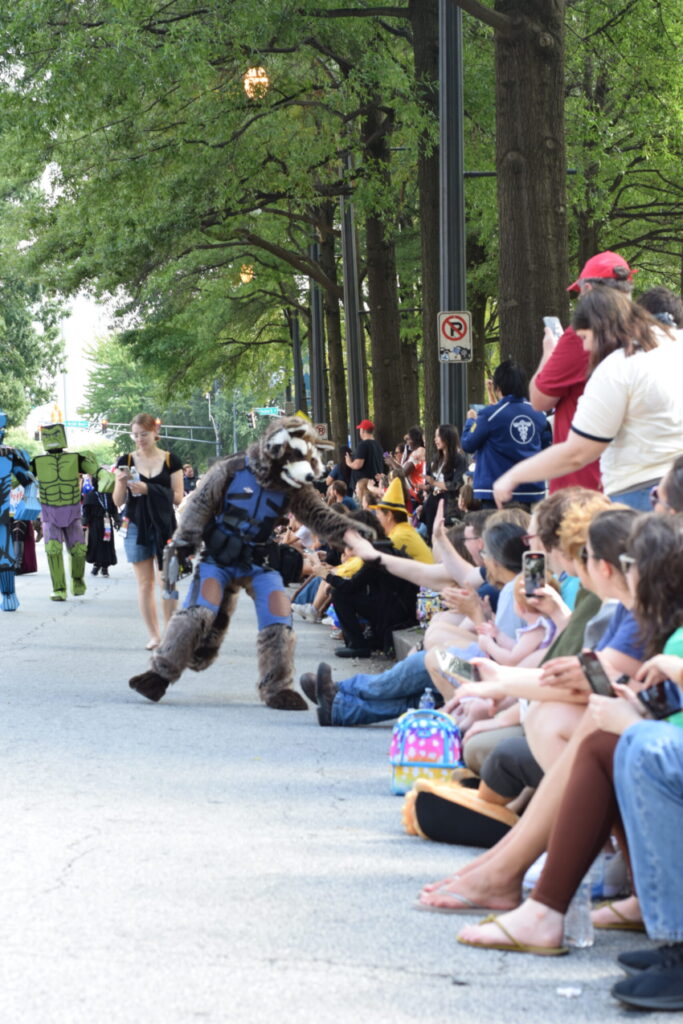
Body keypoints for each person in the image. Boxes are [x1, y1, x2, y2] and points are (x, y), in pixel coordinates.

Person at [127, 416, 369, 708]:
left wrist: (356, 536)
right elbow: (201, 505)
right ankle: (159, 674)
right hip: (218, 557)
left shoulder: (294, 484)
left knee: (279, 616)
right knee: (197, 613)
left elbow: (320, 516)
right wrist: (183, 543)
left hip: (257, 559)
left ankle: (277, 687)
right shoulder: (232, 469)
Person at [494, 289, 683, 511]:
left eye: (584, 337)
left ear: (602, 330)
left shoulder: (618, 367)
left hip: (641, 493)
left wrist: (513, 476)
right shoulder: (674, 347)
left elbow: (577, 452)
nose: (583, 347)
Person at [529, 249, 637, 492]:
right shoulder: (646, 331)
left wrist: (548, 354)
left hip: (582, 482)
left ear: (587, 289)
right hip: (632, 479)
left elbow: (540, 400)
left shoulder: (581, 334)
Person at [113, 413, 184, 649]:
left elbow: (178, 498)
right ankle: (154, 635)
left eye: (144, 434)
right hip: (136, 525)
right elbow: (117, 501)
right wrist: (121, 483)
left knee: (168, 581)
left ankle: (171, 632)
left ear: (155, 433)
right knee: (145, 583)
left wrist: (149, 489)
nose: (140, 439)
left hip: (165, 525)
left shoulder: (171, 460)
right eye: (135, 435)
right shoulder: (127, 460)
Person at [31, 422, 115, 602]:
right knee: (52, 550)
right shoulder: (37, 462)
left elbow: (97, 470)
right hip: (49, 511)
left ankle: (77, 579)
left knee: (78, 550)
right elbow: (17, 477)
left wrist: (104, 475)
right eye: (48, 434)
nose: (52, 437)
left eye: (56, 433)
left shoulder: (76, 459)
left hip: (72, 511)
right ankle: (59, 588)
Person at [462, 361, 551, 507]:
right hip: (531, 490)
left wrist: (470, 422)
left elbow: (468, 444)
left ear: (499, 386)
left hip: (495, 491)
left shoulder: (489, 415)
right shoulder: (539, 414)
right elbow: (546, 446)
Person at [420, 424, 468, 539]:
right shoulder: (437, 458)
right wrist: (427, 488)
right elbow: (432, 482)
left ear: (447, 438)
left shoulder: (459, 459)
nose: (435, 439)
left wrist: (434, 483)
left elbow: (457, 484)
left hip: (449, 505)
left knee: (445, 537)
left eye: (438, 436)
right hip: (433, 501)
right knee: (430, 536)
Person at [82, 484, 120, 577]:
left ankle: (105, 567)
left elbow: (114, 509)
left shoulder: (109, 495)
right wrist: (84, 523)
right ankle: (97, 564)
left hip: (107, 523)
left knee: (107, 544)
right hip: (95, 523)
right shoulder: (91, 495)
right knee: (96, 544)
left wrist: (117, 521)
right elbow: (86, 510)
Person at [345, 419, 384, 491]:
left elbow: (357, 465)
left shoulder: (363, 444)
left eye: (360, 429)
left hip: (363, 487)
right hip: (375, 484)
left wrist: (348, 462)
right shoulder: (378, 444)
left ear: (363, 430)